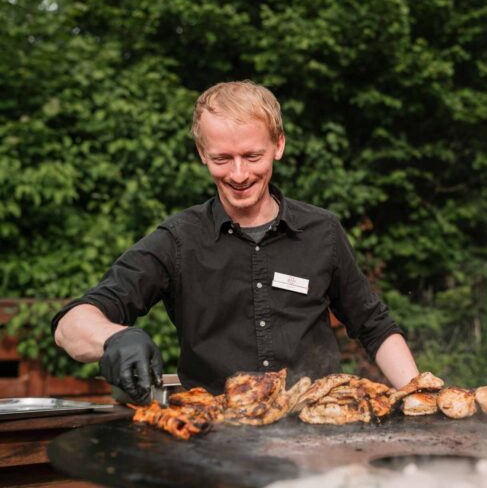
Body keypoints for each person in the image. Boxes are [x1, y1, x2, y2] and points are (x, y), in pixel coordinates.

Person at [52, 81, 420, 404]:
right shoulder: (178, 240)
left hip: (317, 439)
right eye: (222, 159)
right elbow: (71, 324)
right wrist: (115, 338)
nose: (239, 174)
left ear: (278, 145)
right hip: (217, 446)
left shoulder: (322, 231)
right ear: (201, 154)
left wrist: (420, 398)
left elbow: (375, 326)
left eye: (252, 156)